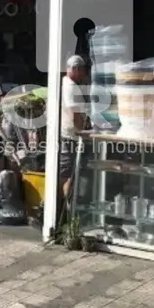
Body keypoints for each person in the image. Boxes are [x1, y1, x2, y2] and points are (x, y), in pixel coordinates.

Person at [59, 55, 88, 212]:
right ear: (76, 69)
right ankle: (68, 209)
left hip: (70, 135)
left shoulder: (65, 83)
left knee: (68, 172)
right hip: (71, 137)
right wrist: (82, 132)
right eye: (83, 70)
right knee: (68, 174)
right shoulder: (71, 87)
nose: (84, 73)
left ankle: (68, 207)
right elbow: (74, 113)